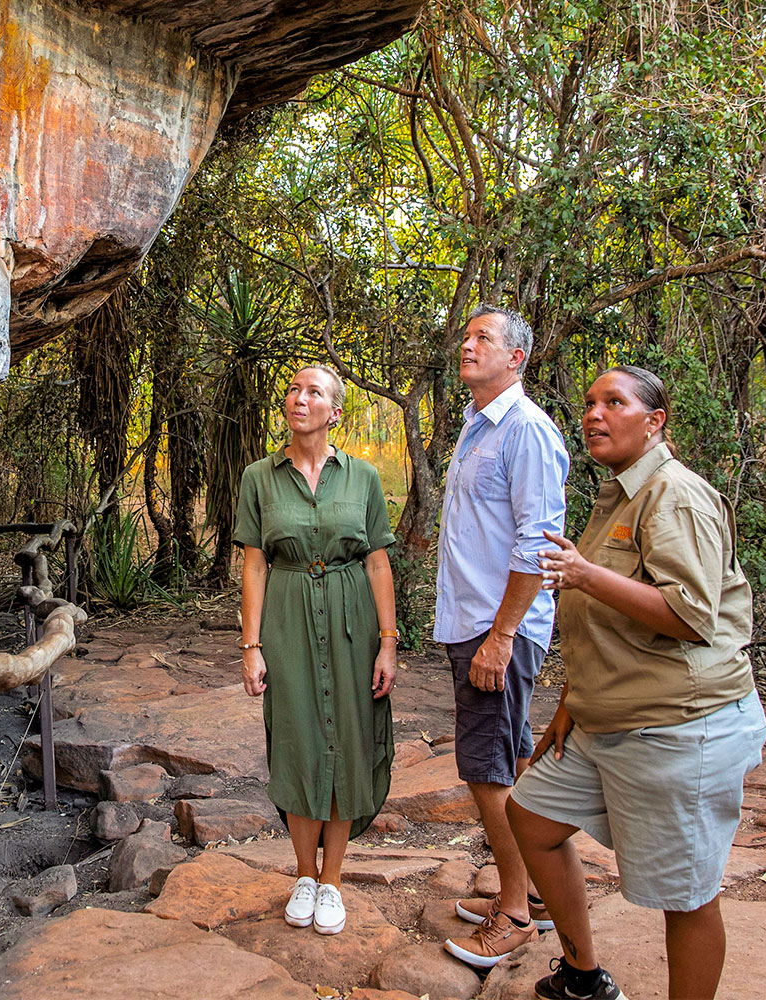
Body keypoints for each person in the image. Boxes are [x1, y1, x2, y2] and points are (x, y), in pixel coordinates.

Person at [507, 365, 766, 1000]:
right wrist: (569, 706)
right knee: (532, 816)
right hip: (605, 719)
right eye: (590, 403)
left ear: (654, 423)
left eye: (613, 403)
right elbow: (602, 626)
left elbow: (689, 614)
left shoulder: (673, 495)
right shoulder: (618, 496)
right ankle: (583, 976)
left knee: (686, 895)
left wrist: (586, 574)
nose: (594, 414)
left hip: (678, 726)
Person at [235, 364, 399, 936]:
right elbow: (254, 564)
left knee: (348, 743)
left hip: (354, 618)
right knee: (299, 738)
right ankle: (305, 873)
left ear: (335, 412)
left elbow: (378, 561)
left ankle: (333, 880)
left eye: (315, 392)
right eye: (294, 389)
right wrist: (251, 645)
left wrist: (388, 642)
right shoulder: (260, 476)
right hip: (287, 619)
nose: (299, 398)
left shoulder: (364, 477)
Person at [436, 305, 570, 968]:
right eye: (467, 335)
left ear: (516, 358)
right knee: (513, 759)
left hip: (498, 630)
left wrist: (501, 635)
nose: (468, 344)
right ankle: (539, 895)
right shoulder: (476, 427)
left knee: (485, 770)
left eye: (482, 338)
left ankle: (514, 912)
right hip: (476, 621)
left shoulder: (526, 431)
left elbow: (538, 545)